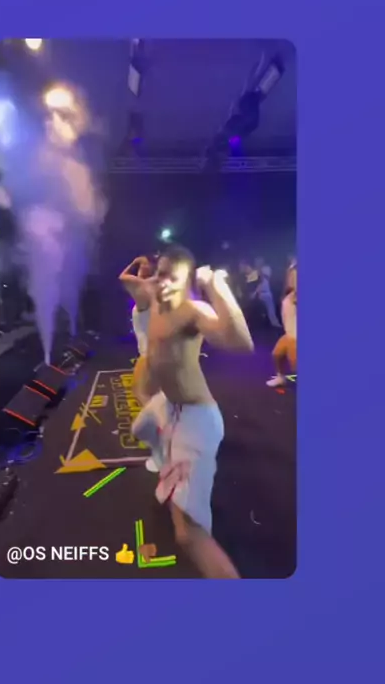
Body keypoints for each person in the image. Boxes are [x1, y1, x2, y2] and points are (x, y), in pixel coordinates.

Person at [131, 244, 254, 579]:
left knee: (187, 534)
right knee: (140, 427)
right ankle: (168, 464)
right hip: (169, 406)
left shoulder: (192, 310)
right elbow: (129, 282)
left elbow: (241, 343)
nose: (163, 283)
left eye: (173, 278)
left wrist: (216, 286)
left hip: (197, 417)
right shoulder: (153, 298)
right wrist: (142, 268)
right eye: (160, 275)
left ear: (187, 283)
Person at [119, 255, 158, 472]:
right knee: (155, 394)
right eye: (140, 265)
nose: (141, 268)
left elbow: (122, 277)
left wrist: (133, 263)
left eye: (144, 265)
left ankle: (163, 438)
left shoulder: (142, 288)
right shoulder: (158, 287)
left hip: (148, 354)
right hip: (161, 351)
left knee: (140, 391)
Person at [266, 279, 297, 387]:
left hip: (295, 335)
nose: (292, 278)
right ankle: (281, 377)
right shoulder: (289, 293)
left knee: (295, 366)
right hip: (289, 333)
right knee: (276, 355)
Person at [252, 257, 281, 328]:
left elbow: (265, 278)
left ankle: (275, 324)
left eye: (259, 261)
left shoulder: (266, 268)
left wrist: (259, 270)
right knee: (259, 310)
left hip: (267, 293)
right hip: (259, 293)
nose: (258, 262)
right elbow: (254, 281)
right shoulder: (255, 271)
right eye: (257, 261)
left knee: (271, 309)